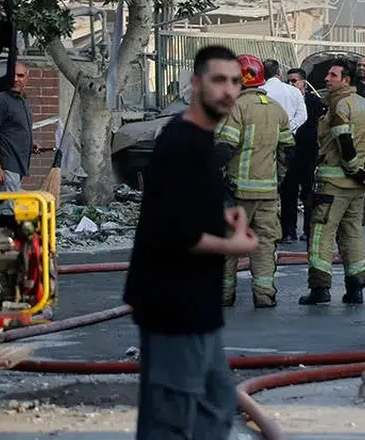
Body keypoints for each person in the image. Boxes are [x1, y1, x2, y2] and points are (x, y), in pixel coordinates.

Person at [124, 45, 258, 440]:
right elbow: (174, 232)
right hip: (173, 306)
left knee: (216, 403)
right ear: (196, 84)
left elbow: (181, 203)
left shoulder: (199, 140)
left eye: (235, 81)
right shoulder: (182, 144)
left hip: (198, 305)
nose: (229, 90)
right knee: (171, 419)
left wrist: (221, 214)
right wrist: (234, 247)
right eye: (219, 80)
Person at [216, 55, 295, 308]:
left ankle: (224, 295)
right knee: (264, 245)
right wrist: (277, 179)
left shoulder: (235, 108)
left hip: (237, 192)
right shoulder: (276, 109)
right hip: (268, 193)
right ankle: (264, 295)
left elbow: (225, 148)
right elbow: (288, 152)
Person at [301, 58, 365, 305]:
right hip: (358, 189)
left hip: (333, 185)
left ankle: (320, 289)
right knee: (353, 235)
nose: (327, 79)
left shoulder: (338, 106)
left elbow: (343, 141)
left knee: (321, 234)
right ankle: (356, 289)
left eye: (333, 75)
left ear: (346, 80)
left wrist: (354, 169)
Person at [262, 58, 307, 244]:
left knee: (268, 191)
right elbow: (303, 115)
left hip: (265, 146)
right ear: (279, 73)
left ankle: (271, 230)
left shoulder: (261, 92)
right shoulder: (293, 91)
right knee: (290, 190)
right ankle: (290, 231)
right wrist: (289, 129)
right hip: (290, 145)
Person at [286, 68, 328, 241]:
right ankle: (288, 231)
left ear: (303, 82)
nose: (290, 84)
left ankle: (309, 230)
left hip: (309, 153)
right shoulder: (287, 100)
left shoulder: (314, 102)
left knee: (308, 193)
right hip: (290, 154)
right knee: (288, 192)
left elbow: (323, 124)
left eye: (294, 81)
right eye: (288, 81)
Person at [0, 62, 34, 194]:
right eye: (12, 75)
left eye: (20, 75)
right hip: (5, 168)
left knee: (11, 205)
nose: (16, 79)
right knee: (7, 207)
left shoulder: (22, 101)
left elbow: (12, 131)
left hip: (17, 167)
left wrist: (30, 145)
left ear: (27, 78)